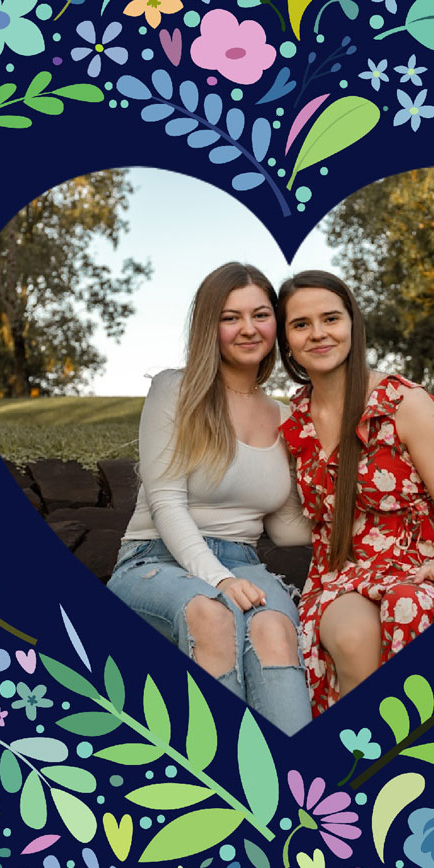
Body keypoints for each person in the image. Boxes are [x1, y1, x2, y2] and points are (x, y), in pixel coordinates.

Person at [107, 262, 313, 734]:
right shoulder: (175, 389)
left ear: (276, 324)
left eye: (260, 315)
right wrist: (218, 579)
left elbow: (283, 526)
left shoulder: (286, 418)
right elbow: (165, 502)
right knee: (211, 614)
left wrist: (363, 519)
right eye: (230, 317)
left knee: (273, 629)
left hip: (245, 566)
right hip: (154, 559)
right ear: (209, 326)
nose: (247, 329)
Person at [276, 270, 434, 715]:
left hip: (421, 563)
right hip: (341, 574)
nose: (318, 334)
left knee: (410, 606)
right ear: (286, 338)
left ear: (352, 323)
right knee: (353, 639)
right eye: (300, 324)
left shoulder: (403, 403)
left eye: (330, 318)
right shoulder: (293, 420)